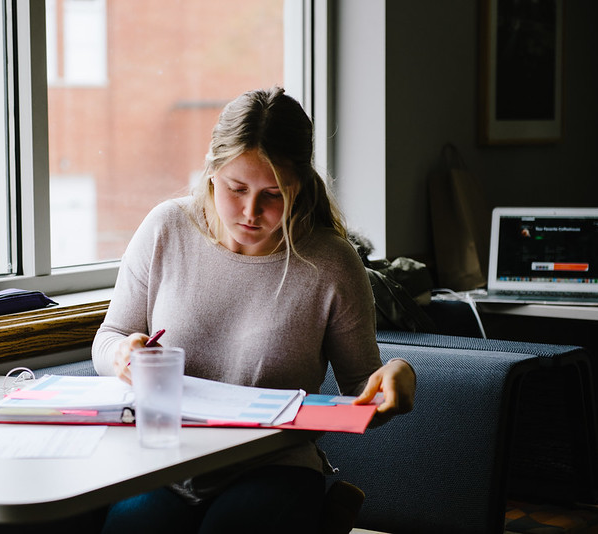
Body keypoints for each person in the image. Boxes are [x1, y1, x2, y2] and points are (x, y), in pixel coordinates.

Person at [92, 86, 416, 534]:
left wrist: (399, 375)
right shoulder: (166, 229)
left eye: (273, 194)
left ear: (300, 187)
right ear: (211, 172)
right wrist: (122, 355)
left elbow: (363, 390)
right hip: (168, 461)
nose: (250, 212)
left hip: (275, 465)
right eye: (236, 188)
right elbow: (108, 338)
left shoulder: (331, 262)